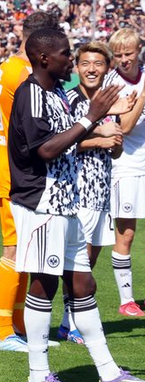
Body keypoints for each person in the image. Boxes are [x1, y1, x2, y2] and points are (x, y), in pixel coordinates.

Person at [8, 25, 142, 382]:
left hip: (67, 201)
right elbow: (45, 149)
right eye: (67, 54)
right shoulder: (32, 94)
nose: (71, 60)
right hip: (41, 202)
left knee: (83, 283)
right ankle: (38, 375)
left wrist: (99, 115)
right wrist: (91, 118)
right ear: (44, 58)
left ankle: (108, 371)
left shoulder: (54, 95)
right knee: (44, 283)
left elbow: (71, 135)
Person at [0, 11, 57, 352]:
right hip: (13, 174)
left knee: (25, 250)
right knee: (14, 250)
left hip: (8, 169)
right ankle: (2, 330)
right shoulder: (22, 75)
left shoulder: (8, 68)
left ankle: (16, 325)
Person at [57, 41, 125, 343]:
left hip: (102, 192)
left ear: (107, 68)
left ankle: (65, 320)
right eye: (85, 63)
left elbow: (115, 152)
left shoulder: (111, 103)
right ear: (76, 66)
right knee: (78, 261)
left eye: (98, 63)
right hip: (76, 191)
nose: (91, 69)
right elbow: (60, 144)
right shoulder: (68, 100)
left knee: (90, 260)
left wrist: (116, 145)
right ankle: (73, 323)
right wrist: (99, 139)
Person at [103, 29, 145, 317]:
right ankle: (126, 300)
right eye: (118, 55)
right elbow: (126, 126)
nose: (123, 60)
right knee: (126, 233)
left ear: (139, 49)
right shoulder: (112, 82)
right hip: (125, 165)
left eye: (128, 53)